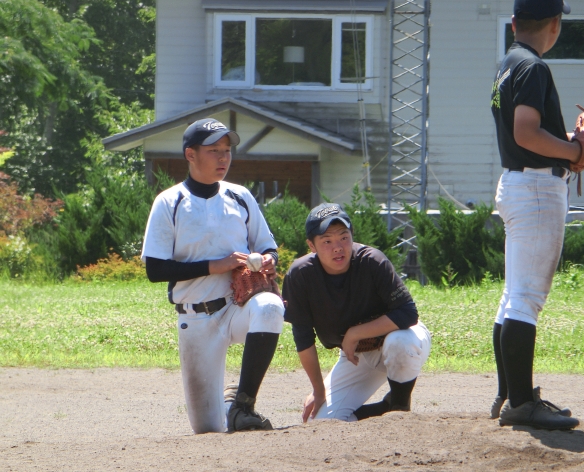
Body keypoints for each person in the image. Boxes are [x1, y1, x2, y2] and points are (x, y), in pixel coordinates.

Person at [489, 0, 584, 430]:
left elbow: (523, 133)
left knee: (514, 296)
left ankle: (510, 394)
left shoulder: (509, 63)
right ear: (555, 26)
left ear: (515, 23)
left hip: (519, 183)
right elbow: (526, 132)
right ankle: (520, 404)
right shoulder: (534, 66)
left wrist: (567, 143)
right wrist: (575, 151)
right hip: (535, 187)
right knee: (525, 299)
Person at [141, 118, 285, 434]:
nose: (223, 157)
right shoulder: (170, 202)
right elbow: (156, 270)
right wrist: (214, 266)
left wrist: (268, 261)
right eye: (214, 150)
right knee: (207, 429)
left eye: (227, 150)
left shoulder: (240, 196)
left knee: (270, 307)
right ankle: (227, 406)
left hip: (237, 307)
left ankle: (243, 404)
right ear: (190, 155)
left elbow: (267, 247)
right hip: (196, 318)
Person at [283, 203, 431, 422]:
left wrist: (355, 333)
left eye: (344, 237)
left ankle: (400, 407)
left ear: (352, 235)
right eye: (327, 241)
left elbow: (408, 313)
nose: (338, 247)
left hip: (405, 338)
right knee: (323, 423)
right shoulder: (300, 275)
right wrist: (318, 390)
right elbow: (303, 338)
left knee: (399, 343)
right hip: (357, 356)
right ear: (311, 245)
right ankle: (386, 408)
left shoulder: (372, 261)